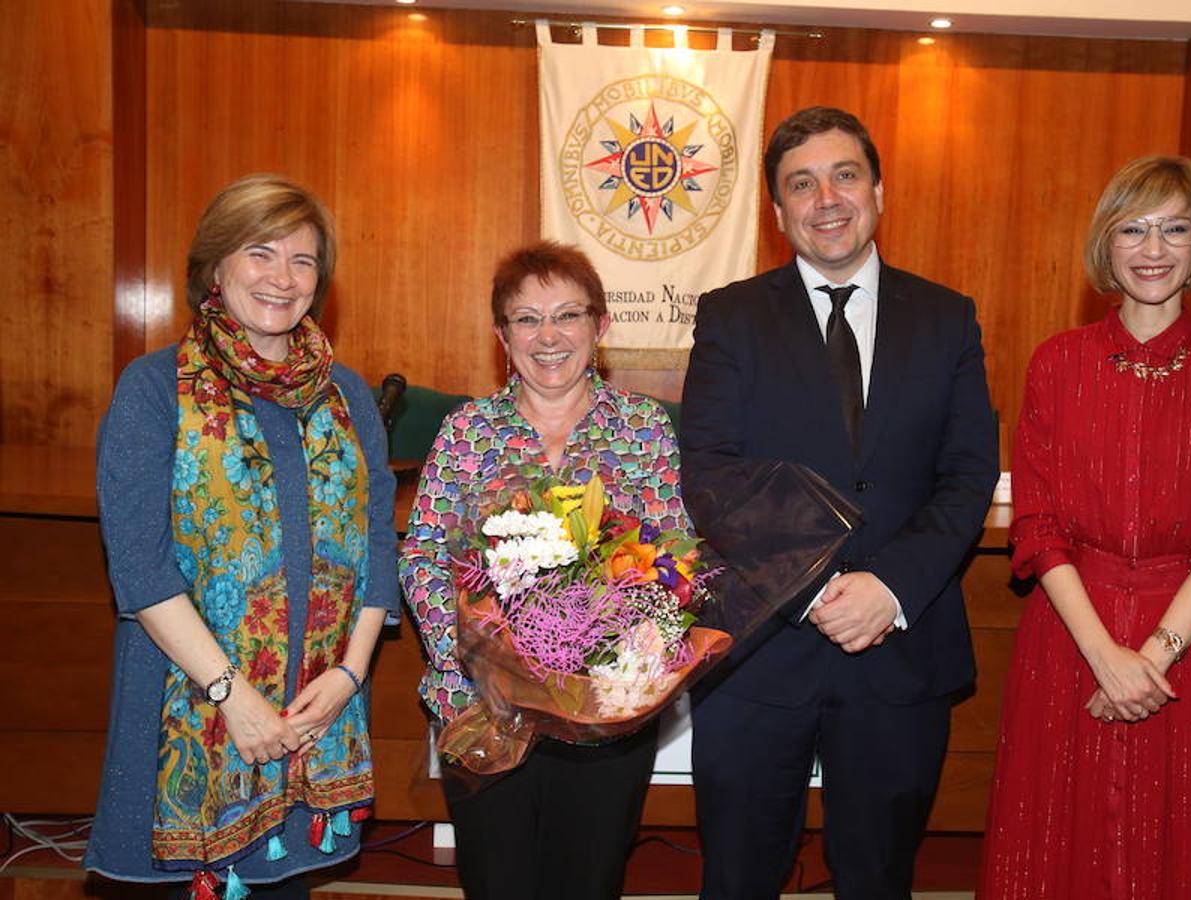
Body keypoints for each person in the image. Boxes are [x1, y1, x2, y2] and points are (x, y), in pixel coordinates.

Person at [680, 106, 999, 898]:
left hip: (900, 647)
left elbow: (966, 475)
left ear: (879, 192)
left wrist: (887, 588)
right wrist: (816, 586)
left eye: (844, 175)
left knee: (878, 878)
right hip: (759, 651)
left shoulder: (947, 318)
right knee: (739, 877)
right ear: (779, 211)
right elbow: (712, 472)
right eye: (801, 183)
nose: (826, 198)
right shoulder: (732, 316)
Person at [84, 174, 399, 897]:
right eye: (261, 253)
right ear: (215, 268)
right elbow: (139, 566)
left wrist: (348, 678)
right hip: (188, 701)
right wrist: (233, 696)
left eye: (303, 261)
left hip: (314, 715)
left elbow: (381, 544)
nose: (282, 278)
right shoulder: (155, 386)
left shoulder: (348, 394)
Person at [977, 156, 1191, 898]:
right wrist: (1104, 655)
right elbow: (1039, 523)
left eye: (1175, 228)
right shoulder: (1057, 363)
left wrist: (1152, 654)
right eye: (1134, 229)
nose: (1154, 249)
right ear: (1105, 245)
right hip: (1071, 635)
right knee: (1055, 840)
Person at [399, 241, 690, 900]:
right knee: (497, 881)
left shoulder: (643, 429)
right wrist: (479, 653)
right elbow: (422, 555)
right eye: (527, 319)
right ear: (503, 336)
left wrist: (608, 651)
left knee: (586, 883)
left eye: (567, 315)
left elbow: (672, 560)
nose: (548, 336)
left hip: (602, 714)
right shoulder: (466, 431)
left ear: (601, 326)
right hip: (484, 705)